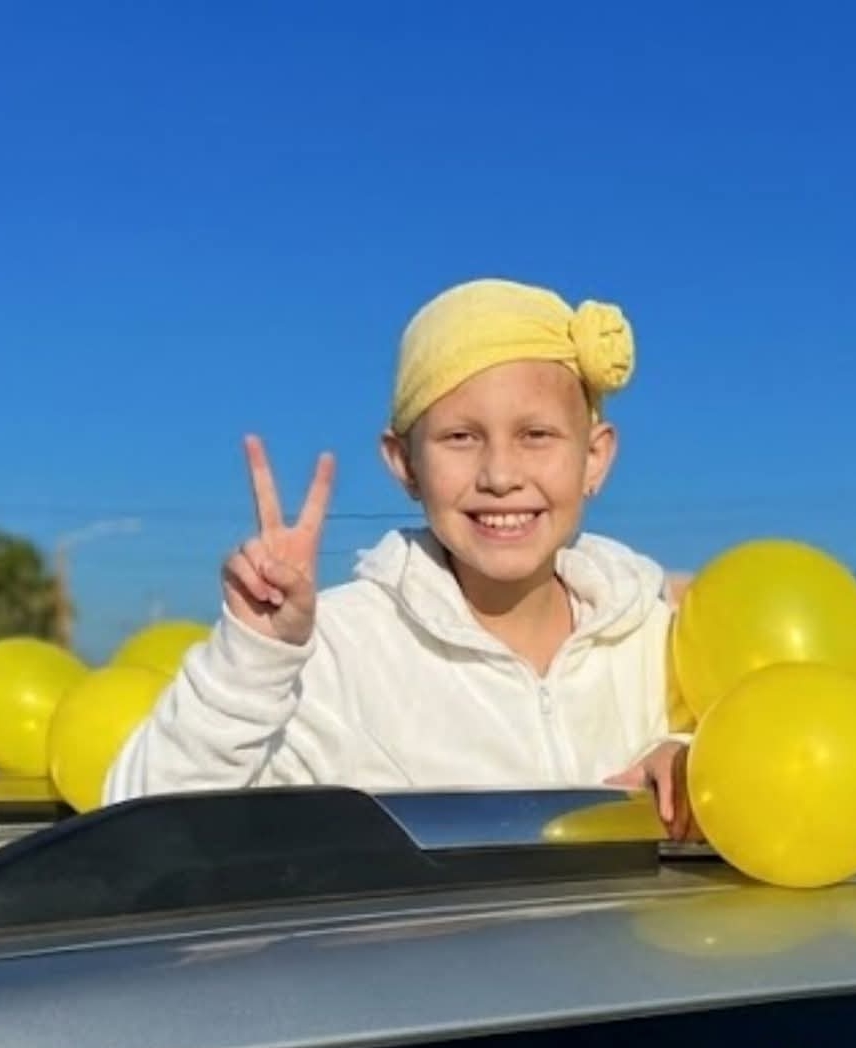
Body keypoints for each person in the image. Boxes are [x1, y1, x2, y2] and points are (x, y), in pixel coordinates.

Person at [104, 278, 690, 831]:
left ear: (595, 458)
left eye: (536, 435)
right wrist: (252, 657)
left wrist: (695, 764)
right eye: (460, 437)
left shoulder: (665, 641)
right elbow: (139, 830)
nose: (501, 475)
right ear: (404, 464)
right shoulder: (336, 652)